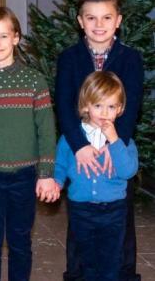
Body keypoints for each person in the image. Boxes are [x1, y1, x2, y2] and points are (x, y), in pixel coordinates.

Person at [0, 6, 60, 281]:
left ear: (16, 38)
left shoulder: (34, 80)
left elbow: (46, 131)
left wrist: (46, 174)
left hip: (25, 176)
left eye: (3, 36)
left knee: (20, 241)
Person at [56, 0, 144, 281]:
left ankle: (124, 274)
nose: (99, 25)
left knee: (122, 221)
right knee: (80, 220)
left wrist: (114, 142)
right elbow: (65, 107)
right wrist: (79, 146)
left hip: (115, 148)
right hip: (82, 152)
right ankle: (77, 274)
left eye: (106, 17)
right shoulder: (70, 58)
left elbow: (131, 109)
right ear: (80, 21)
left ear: (118, 20)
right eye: (91, 18)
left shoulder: (130, 58)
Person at [54, 71, 138, 281]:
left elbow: (128, 171)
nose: (104, 112)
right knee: (85, 259)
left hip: (114, 210)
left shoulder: (124, 141)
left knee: (111, 260)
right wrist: (56, 183)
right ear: (85, 106)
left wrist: (115, 141)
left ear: (119, 110)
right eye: (98, 105)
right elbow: (60, 164)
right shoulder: (72, 138)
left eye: (111, 107)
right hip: (81, 208)